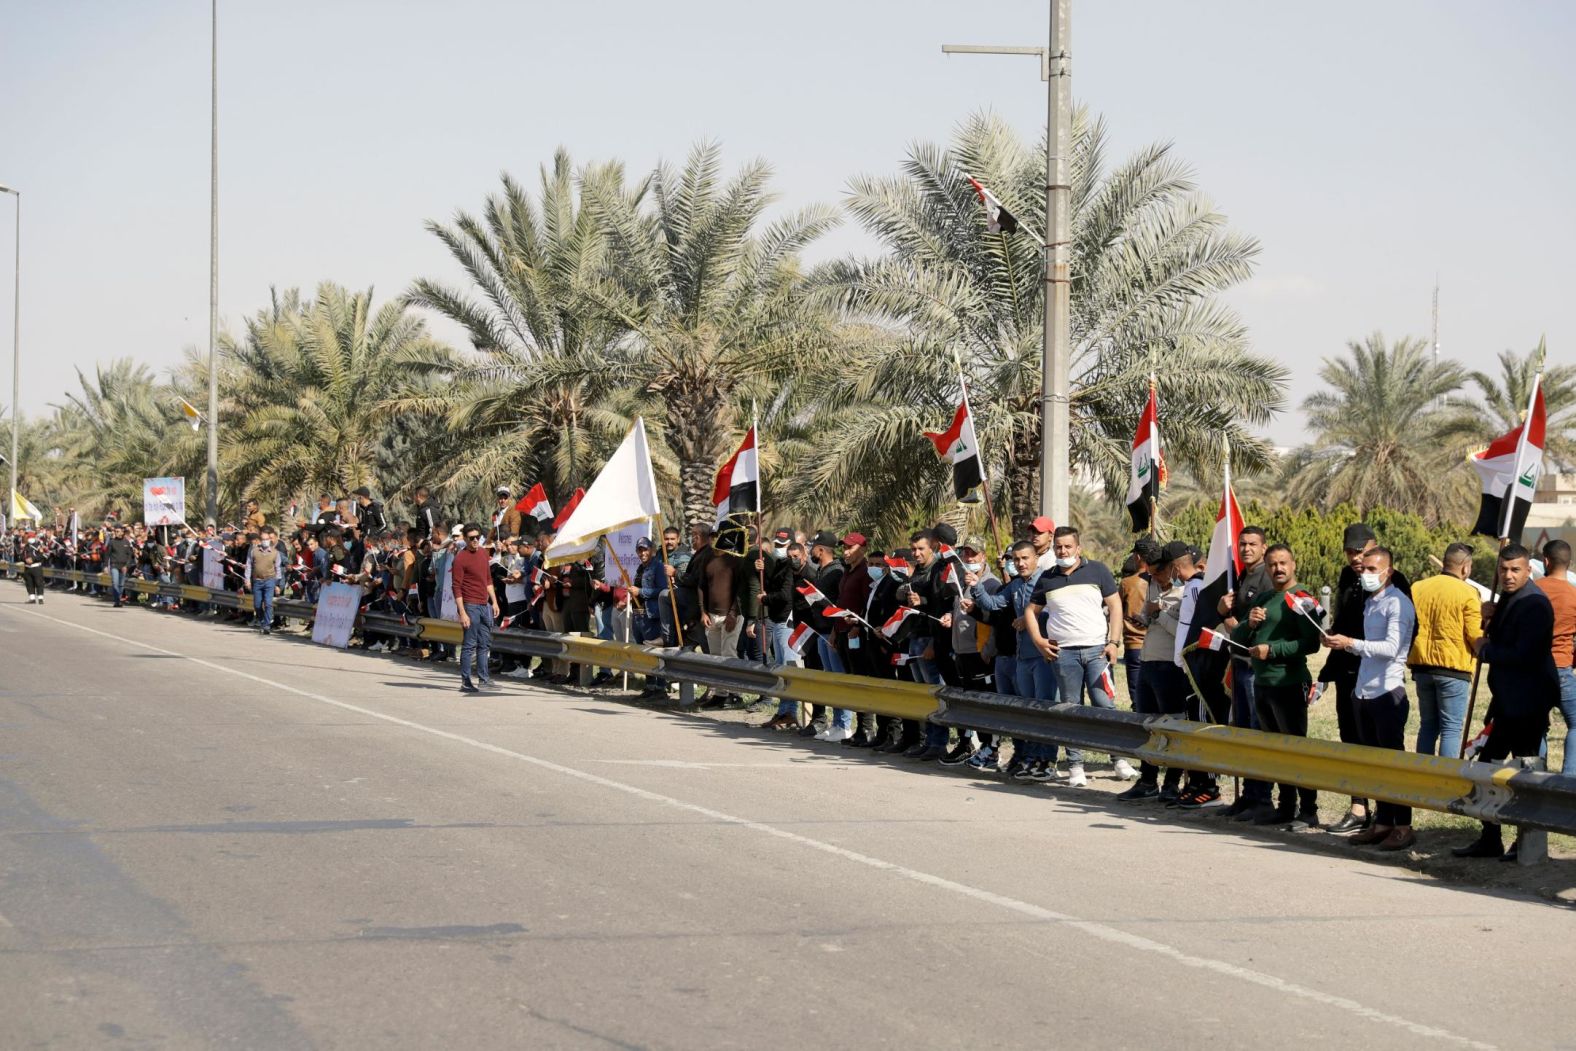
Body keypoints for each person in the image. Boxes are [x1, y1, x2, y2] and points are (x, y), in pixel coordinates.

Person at [1453, 544, 1560, 861]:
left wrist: (1484, 649)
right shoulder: (1512, 599)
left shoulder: (1536, 604)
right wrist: (1492, 616)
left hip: (1528, 701)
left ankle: (1525, 841)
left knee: (1524, 773)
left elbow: (1523, 655)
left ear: (1529, 570)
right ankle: (1491, 838)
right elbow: (1507, 635)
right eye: (1503, 569)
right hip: (1508, 701)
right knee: (1490, 766)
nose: (1508, 575)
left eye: (1515, 570)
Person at [1320, 523, 1412, 835]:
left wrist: (1352, 643)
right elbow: (1346, 620)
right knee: (1353, 742)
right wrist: (1333, 637)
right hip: (1351, 675)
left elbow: (1396, 639)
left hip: (1382, 680)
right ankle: (1361, 807)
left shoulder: (1395, 587)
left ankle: (1396, 822)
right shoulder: (1350, 578)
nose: (1356, 560)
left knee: (1385, 752)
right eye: (1350, 553)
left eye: (1361, 553)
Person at [1022, 526, 1127, 787]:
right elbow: (1030, 612)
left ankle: (1119, 759)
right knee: (1071, 709)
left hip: (1097, 652)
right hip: (1064, 655)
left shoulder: (1098, 571)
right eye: (1059, 546)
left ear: (1078, 548)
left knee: (1105, 705)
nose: (1063, 551)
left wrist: (1113, 642)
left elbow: (1115, 606)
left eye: (1068, 546)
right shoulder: (1047, 578)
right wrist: (1039, 641)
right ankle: (1076, 766)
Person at [1232, 543, 1323, 828]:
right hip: (1262, 683)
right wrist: (1250, 623)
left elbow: (1311, 643)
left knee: (1296, 749)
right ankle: (1285, 807)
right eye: (1272, 564)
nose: (1278, 569)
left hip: (1289, 682)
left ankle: (1308, 810)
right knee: (1275, 750)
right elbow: (1239, 635)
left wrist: (1272, 651)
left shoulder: (1302, 598)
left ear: (1294, 565)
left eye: (1283, 563)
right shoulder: (1266, 597)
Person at [1118, 541, 1192, 802]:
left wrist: (1158, 613)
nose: (1154, 577)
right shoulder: (1151, 585)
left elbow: (1182, 633)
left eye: (1158, 572)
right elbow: (1152, 621)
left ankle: (1171, 783)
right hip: (1148, 662)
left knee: (1171, 725)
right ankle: (1147, 779)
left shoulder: (1186, 593)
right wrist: (1145, 617)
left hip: (1170, 666)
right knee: (1147, 725)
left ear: (1172, 568)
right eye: (1150, 573)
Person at [1406, 542, 1483, 760]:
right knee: (1451, 728)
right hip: (1453, 669)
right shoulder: (1468, 592)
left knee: (1428, 726)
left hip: (1421, 667)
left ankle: (1423, 777)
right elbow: (1474, 634)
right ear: (1466, 567)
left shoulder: (1417, 587)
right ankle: (1445, 780)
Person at [1218, 526, 1274, 816]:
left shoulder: (1265, 577)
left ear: (1263, 548)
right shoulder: (1243, 575)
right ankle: (1248, 796)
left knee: (1256, 731)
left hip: (1254, 667)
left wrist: (1234, 626)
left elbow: (1264, 623)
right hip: (1238, 663)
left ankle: (1262, 797)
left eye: (1253, 544)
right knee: (1242, 729)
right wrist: (1221, 610)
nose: (1246, 549)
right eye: (1242, 544)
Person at [1537, 540, 1576, 775]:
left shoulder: (1532, 590)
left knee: (1536, 726)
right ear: (1568, 564)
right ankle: (1570, 776)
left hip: (1533, 668)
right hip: (1561, 667)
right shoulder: (1573, 596)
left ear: (1545, 561)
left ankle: (1535, 774)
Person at [451, 524, 500, 693]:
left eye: (477, 537)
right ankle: (465, 681)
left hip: (484, 604)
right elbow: (456, 587)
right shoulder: (460, 558)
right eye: (471, 538)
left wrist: (494, 601)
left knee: (484, 644)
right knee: (469, 644)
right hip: (469, 605)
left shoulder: (483, 554)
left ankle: (484, 679)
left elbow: (487, 580)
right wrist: (462, 612)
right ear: (464, 538)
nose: (475, 541)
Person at [249, 526, 282, 635]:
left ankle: (267, 625)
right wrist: (247, 579)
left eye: (267, 539)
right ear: (260, 540)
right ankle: (263, 621)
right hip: (257, 581)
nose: (265, 541)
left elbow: (278, 569)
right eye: (263, 539)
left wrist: (277, 584)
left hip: (269, 581)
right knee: (257, 605)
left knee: (268, 603)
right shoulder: (254, 551)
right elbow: (248, 565)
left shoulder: (275, 553)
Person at [106, 525, 136, 608]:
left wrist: (126, 566)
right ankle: (117, 601)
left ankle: (118, 599)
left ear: (122, 532)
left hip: (123, 566)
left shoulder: (126, 542)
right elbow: (107, 554)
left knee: (121, 585)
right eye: (115, 531)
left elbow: (130, 556)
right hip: (114, 565)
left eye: (118, 531)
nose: (116, 533)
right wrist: (105, 566)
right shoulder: (112, 542)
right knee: (115, 583)